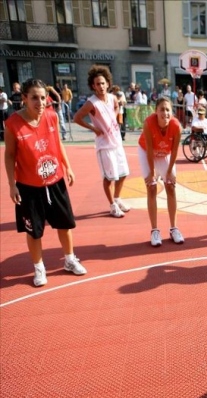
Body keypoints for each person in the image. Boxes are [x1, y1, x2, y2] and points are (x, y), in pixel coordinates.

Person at [3, 78, 87, 287]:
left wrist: (68, 167)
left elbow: (58, 144)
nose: (40, 103)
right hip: (29, 187)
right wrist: (12, 184)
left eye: (43, 98)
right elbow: (9, 155)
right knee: (34, 231)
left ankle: (69, 259)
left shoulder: (51, 117)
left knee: (65, 224)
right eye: (34, 98)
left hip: (55, 181)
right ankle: (39, 267)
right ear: (24, 99)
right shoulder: (13, 124)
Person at [74, 65, 131, 218]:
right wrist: (93, 128)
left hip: (117, 142)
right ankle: (112, 205)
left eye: (103, 83)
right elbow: (76, 118)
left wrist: (117, 116)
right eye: (97, 84)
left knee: (123, 173)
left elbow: (118, 106)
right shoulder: (91, 103)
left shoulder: (112, 98)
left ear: (107, 83)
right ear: (93, 86)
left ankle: (117, 199)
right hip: (104, 146)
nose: (101, 86)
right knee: (109, 178)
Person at [137, 97, 184, 246]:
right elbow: (150, 151)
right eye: (162, 109)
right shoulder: (148, 124)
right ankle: (155, 230)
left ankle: (174, 228)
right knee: (151, 188)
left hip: (165, 154)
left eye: (168, 109)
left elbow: (175, 151)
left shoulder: (177, 127)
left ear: (172, 112)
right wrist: (151, 173)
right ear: (156, 111)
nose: (165, 113)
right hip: (147, 152)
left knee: (171, 186)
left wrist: (169, 171)